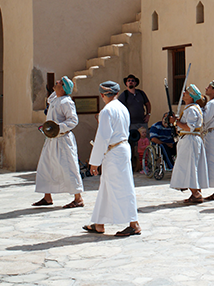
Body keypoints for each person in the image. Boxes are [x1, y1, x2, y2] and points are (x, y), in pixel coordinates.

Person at [83, 81, 140, 236]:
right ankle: (99, 223)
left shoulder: (107, 111)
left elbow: (102, 137)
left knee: (122, 187)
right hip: (120, 149)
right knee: (106, 188)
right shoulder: (122, 108)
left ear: (102, 95)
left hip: (114, 152)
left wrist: (94, 162)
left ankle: (134, 224)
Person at [33, 76, 84, 208]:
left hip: (63, 140)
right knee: (46, 166)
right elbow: (50, 99)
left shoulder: (67, 102)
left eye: (59, 83)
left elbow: (73, 120)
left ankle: (78, 198)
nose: (56, 83)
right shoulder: (56, 99)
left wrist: (59, 128)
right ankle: (47, 196)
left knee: (68, 166)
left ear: (63, 88)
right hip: (51, 140)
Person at [169, 84, 209, 204]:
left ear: (191, 96)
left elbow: (189, 127)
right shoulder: (191, 108)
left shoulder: (192, 109)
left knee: (188, 167)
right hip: (188, 140)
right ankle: (195, 192)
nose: (184, 94)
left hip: (190, 140)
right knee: (190, 166)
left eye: (186, 92)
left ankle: (196, 193)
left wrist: (176, 122)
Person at [118, 74, 151, 171]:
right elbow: (120, 107)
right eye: (128, 81)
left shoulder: (141, 93)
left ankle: (145, 165)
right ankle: (131, 166)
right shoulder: (124, 95)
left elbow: (148, 104)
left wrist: (148, 114)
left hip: (141, 123)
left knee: (144, 144)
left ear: (136, 82)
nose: (130, 82)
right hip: (130, 124)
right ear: (126, 83)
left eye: (132, 80)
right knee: (131, 144)